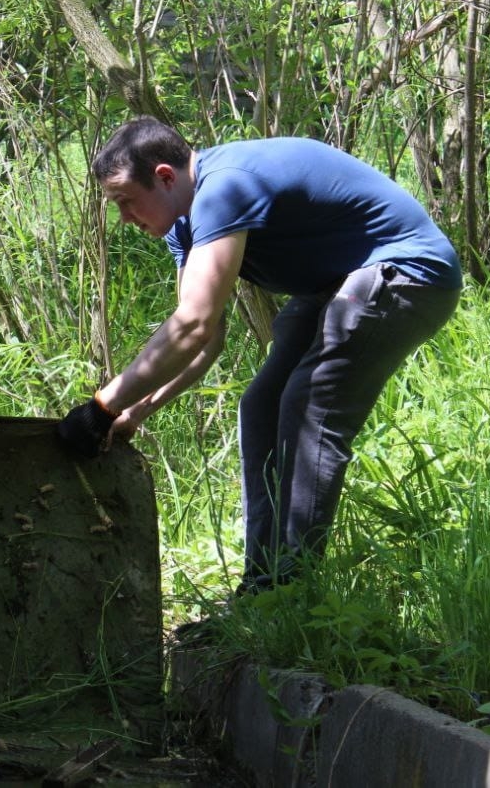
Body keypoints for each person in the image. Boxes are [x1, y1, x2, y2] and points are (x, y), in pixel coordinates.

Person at [56, 116, 462, 596]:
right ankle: (261, 587)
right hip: (339, 284)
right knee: (262, 404)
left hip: (409, 271)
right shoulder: (183, 222)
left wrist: (102, 408)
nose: (124, 218)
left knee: (308, 404)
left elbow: (193, 326)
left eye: (126, 201)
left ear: (164, 177)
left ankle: (291, 589)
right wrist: (133, 412)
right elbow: (203, 336)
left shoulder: (224, 187)